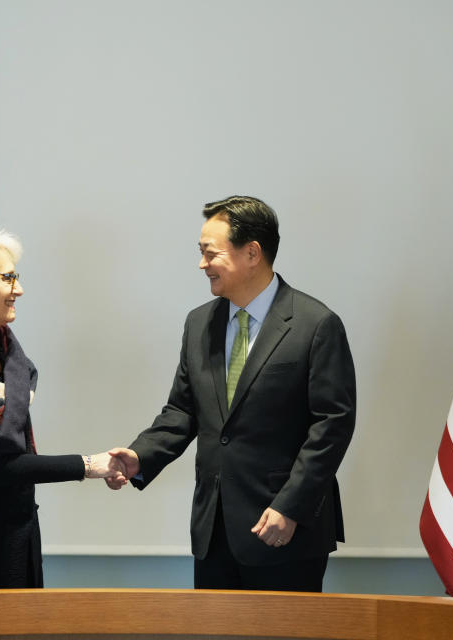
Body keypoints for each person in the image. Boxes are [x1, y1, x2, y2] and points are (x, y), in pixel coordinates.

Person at [108, 196, 356, 591]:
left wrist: (290, 506)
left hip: (284, 530)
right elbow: (182, 410)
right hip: (215, 530)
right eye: (201, 253)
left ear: (252, 252)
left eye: (211, 253)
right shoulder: (199, 323)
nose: (202, 264)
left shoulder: (316, 324)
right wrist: (141, 455)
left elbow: (332, 426)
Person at [0, 227, 126, 590]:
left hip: (17, 527)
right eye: (9, 277)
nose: (19, 289)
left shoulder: (6, 352)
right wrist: (90, 465)